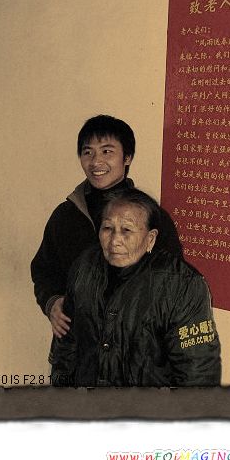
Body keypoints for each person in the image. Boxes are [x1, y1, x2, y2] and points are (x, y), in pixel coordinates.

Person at [30, 115, 182, 357]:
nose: (96, 161)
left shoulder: (151, 217)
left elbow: (174, 281)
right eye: (87, 152)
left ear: (127, 157)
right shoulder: (66, 215)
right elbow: (44, 269)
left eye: (107, 151)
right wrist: (52, 302)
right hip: (75, 351)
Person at [50, 188, 221, 387]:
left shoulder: (183, 285)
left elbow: (198, 373)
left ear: (150, 238)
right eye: (107, 228)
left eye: (127, 230)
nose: (115, 241)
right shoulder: (84, 267)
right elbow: (65, 349)